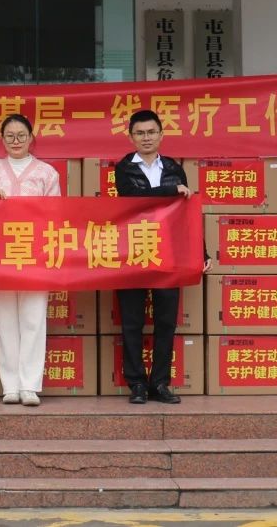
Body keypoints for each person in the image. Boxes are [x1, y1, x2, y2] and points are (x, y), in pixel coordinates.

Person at [113, 109, 209, 406]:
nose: (146, 137)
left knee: (166, 321)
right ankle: (137, 384)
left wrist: (201, 251)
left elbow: (186, 212)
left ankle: (160, 382)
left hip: (168, 253)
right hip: (133, 251)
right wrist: (170, 190)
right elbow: (135, 199)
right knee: (132, 322)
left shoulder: (173, 168)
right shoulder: (124, 168)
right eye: (140, 133)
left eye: (151, 132)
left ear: (161, 135)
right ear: (131, 137)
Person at [0, 114, 60, 407]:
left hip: (35, 253)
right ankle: (10, 385)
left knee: (34, 318)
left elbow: (56, 214)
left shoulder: (47, 173)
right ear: (1, 139)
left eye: (21, 136)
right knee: (5, 319)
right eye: (10, 136)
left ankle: (30, 385)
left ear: (31, 138)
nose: (16, 141)